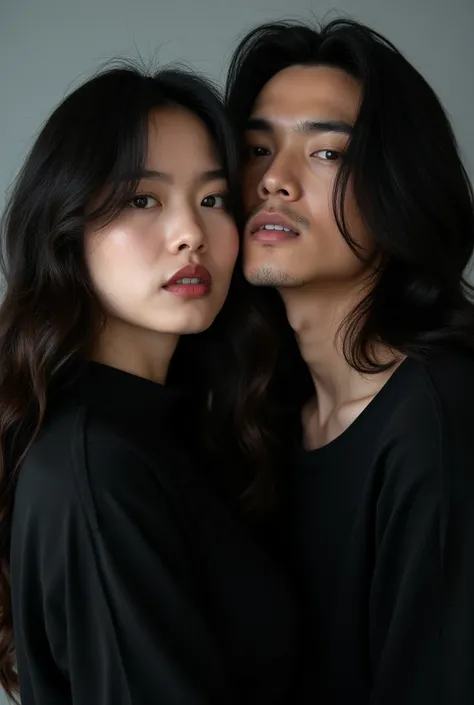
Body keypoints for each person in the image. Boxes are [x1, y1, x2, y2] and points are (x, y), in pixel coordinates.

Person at [0, 64, 300, 705]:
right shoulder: (96, 469)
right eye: (143, 199)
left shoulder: (182, 430)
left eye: (214, 199)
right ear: (67, 226)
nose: (192, 232)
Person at [225, 17, 474, 704]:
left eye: (326, 154)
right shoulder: (270, 410)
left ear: (399, 188)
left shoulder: (435, 417)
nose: (274, 180)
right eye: (254, 149)